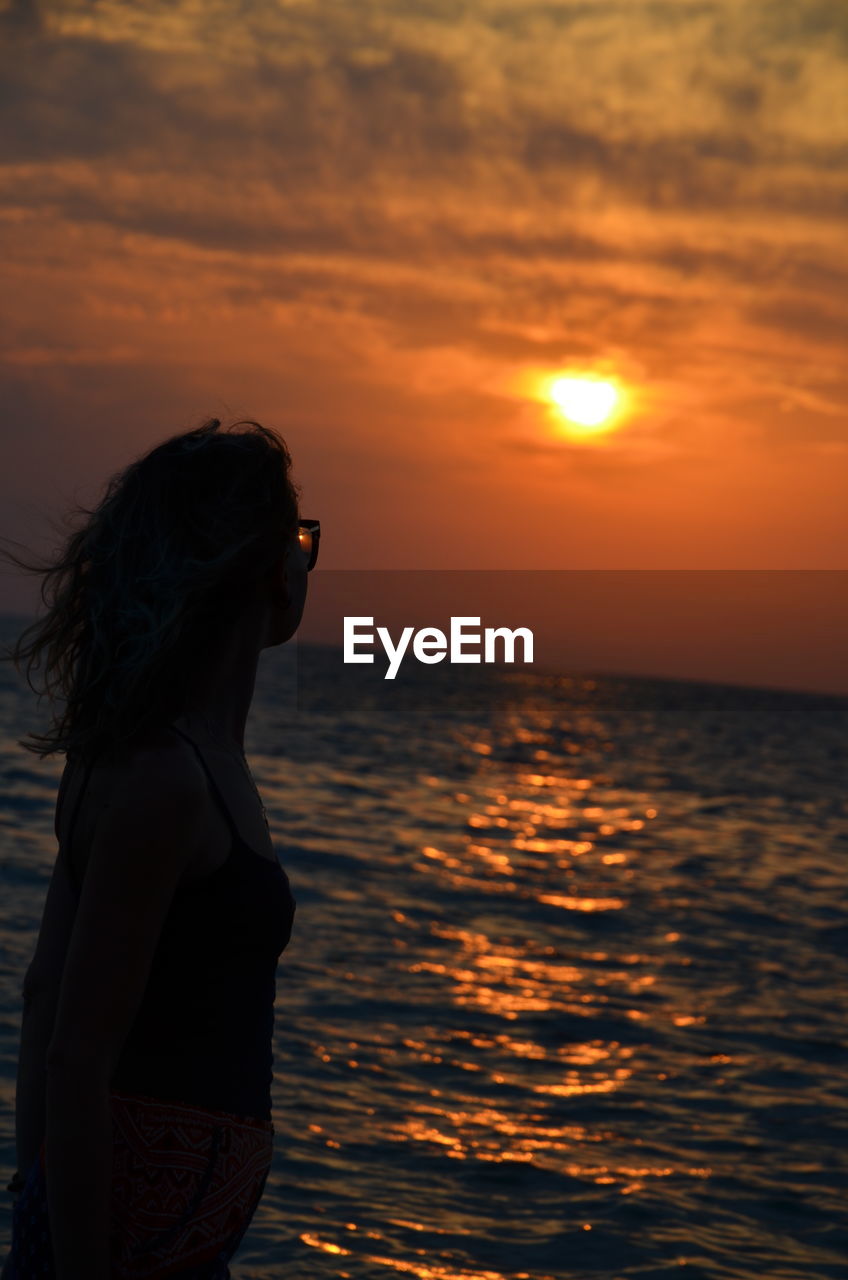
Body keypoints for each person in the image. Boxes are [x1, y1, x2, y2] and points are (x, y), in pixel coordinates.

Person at [0, 417, 320, 1278]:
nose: (304, 558)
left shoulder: (184, 759)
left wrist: (34, 1206)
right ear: (254, 567)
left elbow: (41, 996)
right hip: (125, 1253)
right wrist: (62, 1249)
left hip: (163, 1248)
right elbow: (72, 1051)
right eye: (298, 534)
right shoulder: (164, 781)